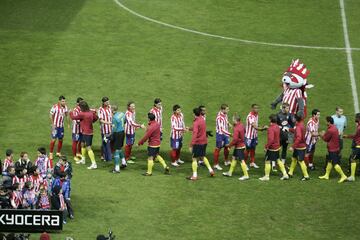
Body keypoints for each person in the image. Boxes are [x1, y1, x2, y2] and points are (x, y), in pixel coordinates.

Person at [187, 108, 215, 180]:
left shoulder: (196, 122)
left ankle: (194, 175)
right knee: (202, 156)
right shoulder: (202, 119)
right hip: (204, 141)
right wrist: (190, 129)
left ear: (194, 114)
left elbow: (195, 134)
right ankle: (211, 170)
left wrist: (191, 145)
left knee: (194, 158)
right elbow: (199, 128)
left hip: (198, 143)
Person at [70, 100, 99, 169]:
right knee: (82, 144)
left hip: (87, 133)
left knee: (88, 147)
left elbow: (73, 117)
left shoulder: (82, 114)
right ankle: (83, 159)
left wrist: (70, 112)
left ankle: (94, 163)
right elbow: (96, 118)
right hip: (87, 132)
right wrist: (90, 122)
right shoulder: (91, 112)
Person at [259, 114, 289, 181]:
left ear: (270, 120)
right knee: (278, 160)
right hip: (277, 147)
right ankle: (285, 174)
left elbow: (271, 140)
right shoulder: (277, 127)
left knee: (267, 161)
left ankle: (266, 176)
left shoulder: (271, 129)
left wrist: (266, 147)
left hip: (272, 148)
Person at [319, 116, 347, 183]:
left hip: (332, 149)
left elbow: (326, 139)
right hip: (336, 148)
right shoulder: (334, 128)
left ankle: (343, 176)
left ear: (328, 122)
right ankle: (327, 175)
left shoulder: (330, 130)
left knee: (335, 164)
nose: (325, 122)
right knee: (329, 161)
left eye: (326, 121)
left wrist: (321, 135)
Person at [222, 114, 249, 180]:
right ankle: (230, 172)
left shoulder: (236, 128)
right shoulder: (241, 125)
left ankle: (246, 175)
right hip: (242, 145)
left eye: (233, 119)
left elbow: (235, 140)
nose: (232, 120)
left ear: (235, 120)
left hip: (239, 146)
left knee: (242, 160)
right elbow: (244, 132)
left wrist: (229, 146)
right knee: (234, 158)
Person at [288, 114, 310, 180]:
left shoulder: (298, 126)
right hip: (301, 146)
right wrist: (289, 129)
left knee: (301, 161)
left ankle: (306, 176)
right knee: (294, 159)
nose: (292, 119)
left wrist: (293, 146)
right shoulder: (301, 124)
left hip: (299, 147)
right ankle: (290, 173)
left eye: (293, 118)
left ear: (295, 119)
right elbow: (297, 131)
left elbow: (299, 137)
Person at [245, 104, 267, 168]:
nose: (257, 109)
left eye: (258, 108)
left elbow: (256, 125)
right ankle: (244, 163)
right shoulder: (250, 116)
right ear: (252, 108)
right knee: (247, 150)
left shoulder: (256, 115)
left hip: (254, 135)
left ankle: (252, 162)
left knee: (253, 149)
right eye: (255, 108)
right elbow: (255, 127)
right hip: (249, 136)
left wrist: (261, 127)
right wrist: (263, 128)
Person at [276, 103, 295, 169]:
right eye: (287, 108)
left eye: (288, 108)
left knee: (284, 149)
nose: (288, 109)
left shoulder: (290, 115)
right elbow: (275, 125)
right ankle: (277, 162)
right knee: (277, 149)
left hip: (286, 136)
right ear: (283, 108)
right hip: (279, 136)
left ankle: (283, 163)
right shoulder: (278, 115)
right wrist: (281, 127)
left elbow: (292, 125)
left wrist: (290, 137)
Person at [49, 95, 69, 160]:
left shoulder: (65, 107)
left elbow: (67, 115)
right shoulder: (55, 107)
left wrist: (68, 123)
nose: (64, 102)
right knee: (53, 139)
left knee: (60, 139)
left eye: (65, 101)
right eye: (63, 101)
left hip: (61, 126)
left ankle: (58, 152)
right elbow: (51, 115)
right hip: (55, 127)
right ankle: (51, 153)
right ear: (59, 101)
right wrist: (53, 124)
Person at [213, 104, 232, 171]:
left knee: (227, 147)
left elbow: (226, 121)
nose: (228, 110)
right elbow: (221, 129)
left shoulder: (225, 114)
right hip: (220, 135)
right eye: (227, 109)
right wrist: (230, 134)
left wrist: (228, 124)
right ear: (223, 109)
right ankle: (215, 164)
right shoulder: (219, 118)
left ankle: (226, 161)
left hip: (225, 134)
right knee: (218, 149)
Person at [343, 113, 360, 181]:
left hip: (359, 146)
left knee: (352, 159)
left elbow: (355, 136)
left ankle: (352, 176)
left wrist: (346, 136)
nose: (355, 119)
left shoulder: (359, 128)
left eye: (356, 118)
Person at [111, 105, 127, 173]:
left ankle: (117, 168)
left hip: (117, 134)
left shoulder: (114, 118)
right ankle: (124, 162)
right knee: (120, 148)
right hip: (123, 132)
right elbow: (125, 121)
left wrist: (110, 136)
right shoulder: (122, 114)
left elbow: (114, 129)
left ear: (112, 110)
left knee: (116, 151)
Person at [98, 97, 113, 162]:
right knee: (105, 143)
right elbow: (101, 120)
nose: (108, 103)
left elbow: (111, 115)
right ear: (103, 103)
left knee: (108, 142)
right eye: (106, 102)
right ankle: (105, 157)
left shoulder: (110, 107)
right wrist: (109, 123)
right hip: (105, 130)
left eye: (108, 101)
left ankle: (106, 155)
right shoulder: (101, 110)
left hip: (110, 129)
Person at [71, 97, 84, 162]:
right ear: (77, 103)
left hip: (81, 129)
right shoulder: (75, 110)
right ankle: (74, 155)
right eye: (81, 102)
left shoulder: (82, 109)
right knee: (75, 142)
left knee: (80, 141)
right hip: (76, 129)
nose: (82, 103)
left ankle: (78, 152)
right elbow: (76, 120)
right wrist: (83, 121)